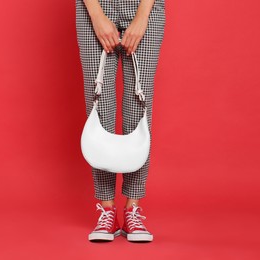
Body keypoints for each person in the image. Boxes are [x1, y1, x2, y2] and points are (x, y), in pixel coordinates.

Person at [76, 0, 165, 242]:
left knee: (139, 110)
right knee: (99, 109)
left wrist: (142, 15)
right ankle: (106, 211)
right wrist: (96, 15)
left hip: (144, 6)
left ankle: (132, 210)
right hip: (94, 5)